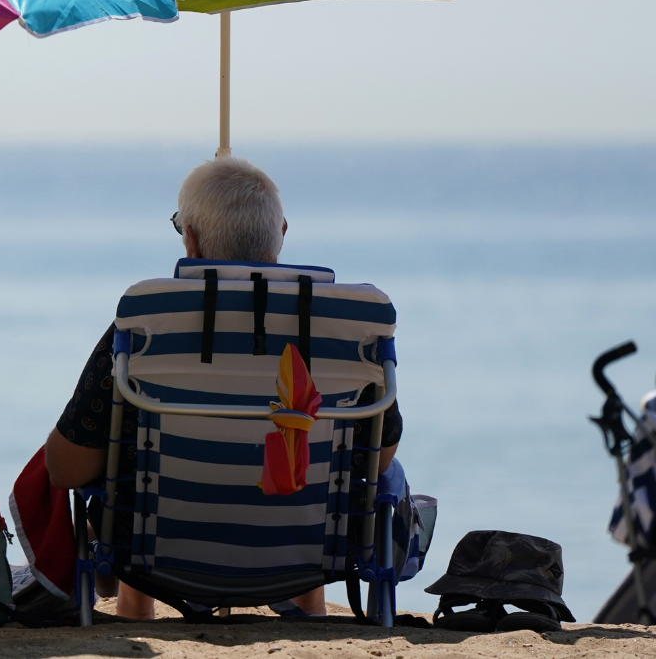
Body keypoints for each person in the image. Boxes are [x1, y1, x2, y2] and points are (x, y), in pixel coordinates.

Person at [42, 155, 401, 619]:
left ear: (189, 238)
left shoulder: (146, 324)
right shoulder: (351, 328)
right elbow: (380, 457)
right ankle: (308, 607)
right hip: (311, 560)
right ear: (283, 231)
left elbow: (65, 469)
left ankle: (134, 606)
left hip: (159, 560)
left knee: (113, 453)